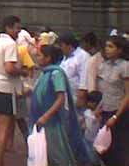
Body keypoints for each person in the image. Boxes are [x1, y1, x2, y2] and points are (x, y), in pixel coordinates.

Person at [30, 45, 95, 166]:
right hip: (42, 119)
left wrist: (46, 116)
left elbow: (60, 98)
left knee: (56, 154)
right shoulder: (44, 74)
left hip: (52, 122)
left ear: (48, 58)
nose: (36, 58)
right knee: (44, 152)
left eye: (39, 55)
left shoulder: (56, 74)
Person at [0, 15, 28, 166]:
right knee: (4, 129)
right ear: (8, 28)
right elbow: (9, 68)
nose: (18, 31)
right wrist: (22, 71)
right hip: (5, 88)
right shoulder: (10, 44)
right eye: (17, 28)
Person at [96, 35, 129, 166]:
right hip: (106, 109)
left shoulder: (124, 66)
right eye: (106, 46)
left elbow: (127, 94)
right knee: (104, 147)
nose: (107, 49)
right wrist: (99, 107)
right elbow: (106, 90)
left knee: (118, 147)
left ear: (119, 50)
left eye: (111, 46)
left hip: (119, 112)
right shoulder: (104, 65)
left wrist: (116, 116)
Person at [58, 31, 90, 108]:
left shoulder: (83, 56)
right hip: (65, 98)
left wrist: (81, 98)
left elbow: (84, 79)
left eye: (61, 45)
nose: (60, 48)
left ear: (69, 45)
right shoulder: (65, 57)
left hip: (76, 99)